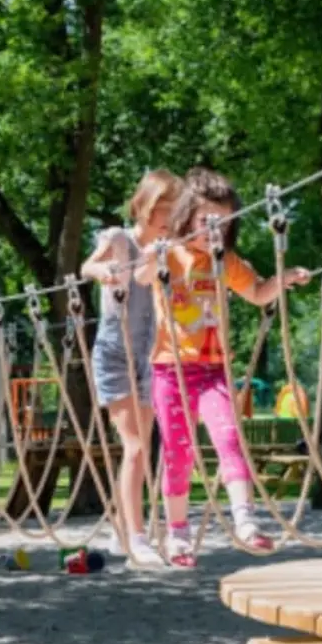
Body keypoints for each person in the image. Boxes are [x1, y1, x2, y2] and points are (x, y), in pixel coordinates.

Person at [135, 167, 312, 568]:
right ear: (187, 218)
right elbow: (143, 277)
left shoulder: (226, 262)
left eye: (223, 223)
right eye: (206, 221)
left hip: (214, 371)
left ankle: (245, 521)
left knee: (230, 439)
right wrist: (152, 255)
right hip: (171, 371)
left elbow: (257, 292)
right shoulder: (170, 254)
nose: (214, 230)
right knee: (178, 454)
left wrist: (282, 279)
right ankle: (177, 535)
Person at [81, 169, 183, 567]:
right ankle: (138, 538)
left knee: (144, 447)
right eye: (162, 208)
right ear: (143, 205)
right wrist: (104, 272)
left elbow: (153, 280)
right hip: (114, 351)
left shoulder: (166, 248)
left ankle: (123, 528)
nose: (167, 216)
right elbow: (87, 267)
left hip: (149, 352)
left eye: (173, 209)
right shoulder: (119, 239)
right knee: (136, 446)